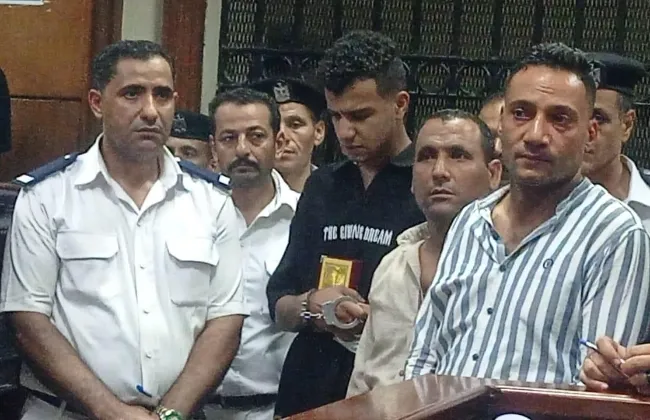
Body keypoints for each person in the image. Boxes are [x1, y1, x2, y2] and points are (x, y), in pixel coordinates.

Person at [0, 40, 247, 420]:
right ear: (97, 102)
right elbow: (29, 321)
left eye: (162, 95)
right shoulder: (48, 196)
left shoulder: (212, 202)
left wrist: (170, 414)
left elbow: (225, 322)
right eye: (132, 93)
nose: (150, 111)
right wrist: (111, 411)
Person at [405, 42, 650, 385]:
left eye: (559, 119)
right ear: (501, 125)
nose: (536, 135)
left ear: (590, 133)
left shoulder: (614, 234)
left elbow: (599, 387)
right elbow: (424, 356)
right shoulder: (470, 220)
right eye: (521, 113)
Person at [266, 30, 424, 417]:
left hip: (390, 388)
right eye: (336, 116)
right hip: (309, 385)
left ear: (400, 104)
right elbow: (279, 304)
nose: (346, 132)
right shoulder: (323, 186)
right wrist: (312, 307)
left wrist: (384, 320)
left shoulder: (427, 184)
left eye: (360, 116)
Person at [347, 109, 502, 396]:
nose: (439, 171)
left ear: (493, 174)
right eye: (427, 156)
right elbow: (362, 379)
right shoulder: (394, 264)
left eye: (458, 155)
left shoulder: (509, 269)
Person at [201, 87, 299, 420]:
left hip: (276, 409)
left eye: (256, 136)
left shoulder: (307, 219)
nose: (242, 149)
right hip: (192, 408)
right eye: (229, 138)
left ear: (279, 142)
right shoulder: (188, 217)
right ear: (213, 148)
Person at [581, 52, 650, 232]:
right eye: (571, 117)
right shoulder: (534, 203)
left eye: (599, 118)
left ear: (626, 125)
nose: (585, 131)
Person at [248, 78, 326, 192]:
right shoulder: (229, 196)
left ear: (318, 132)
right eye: (274, 125)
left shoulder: (338, 196)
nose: (282, 136)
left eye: (295, 125)